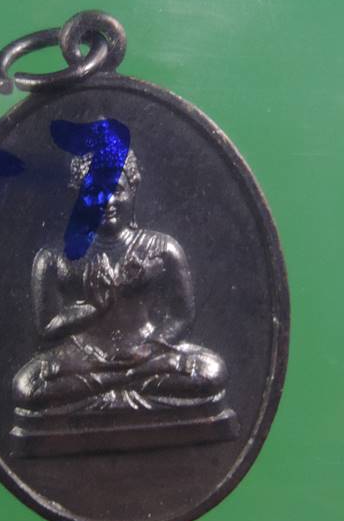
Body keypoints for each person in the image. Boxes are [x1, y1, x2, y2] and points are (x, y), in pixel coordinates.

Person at [12, 149, 227, 413]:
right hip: (83, 360)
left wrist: (149, 348)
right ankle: (125, 384)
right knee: (26, 386)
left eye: (117, 190)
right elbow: (47, 328)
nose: (108, 201)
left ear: (133, 189)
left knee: (212, 371)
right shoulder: (55, 258)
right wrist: (93, 308)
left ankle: (110, 390)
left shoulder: (162, 249)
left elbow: (181, 316)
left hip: (147, 355)